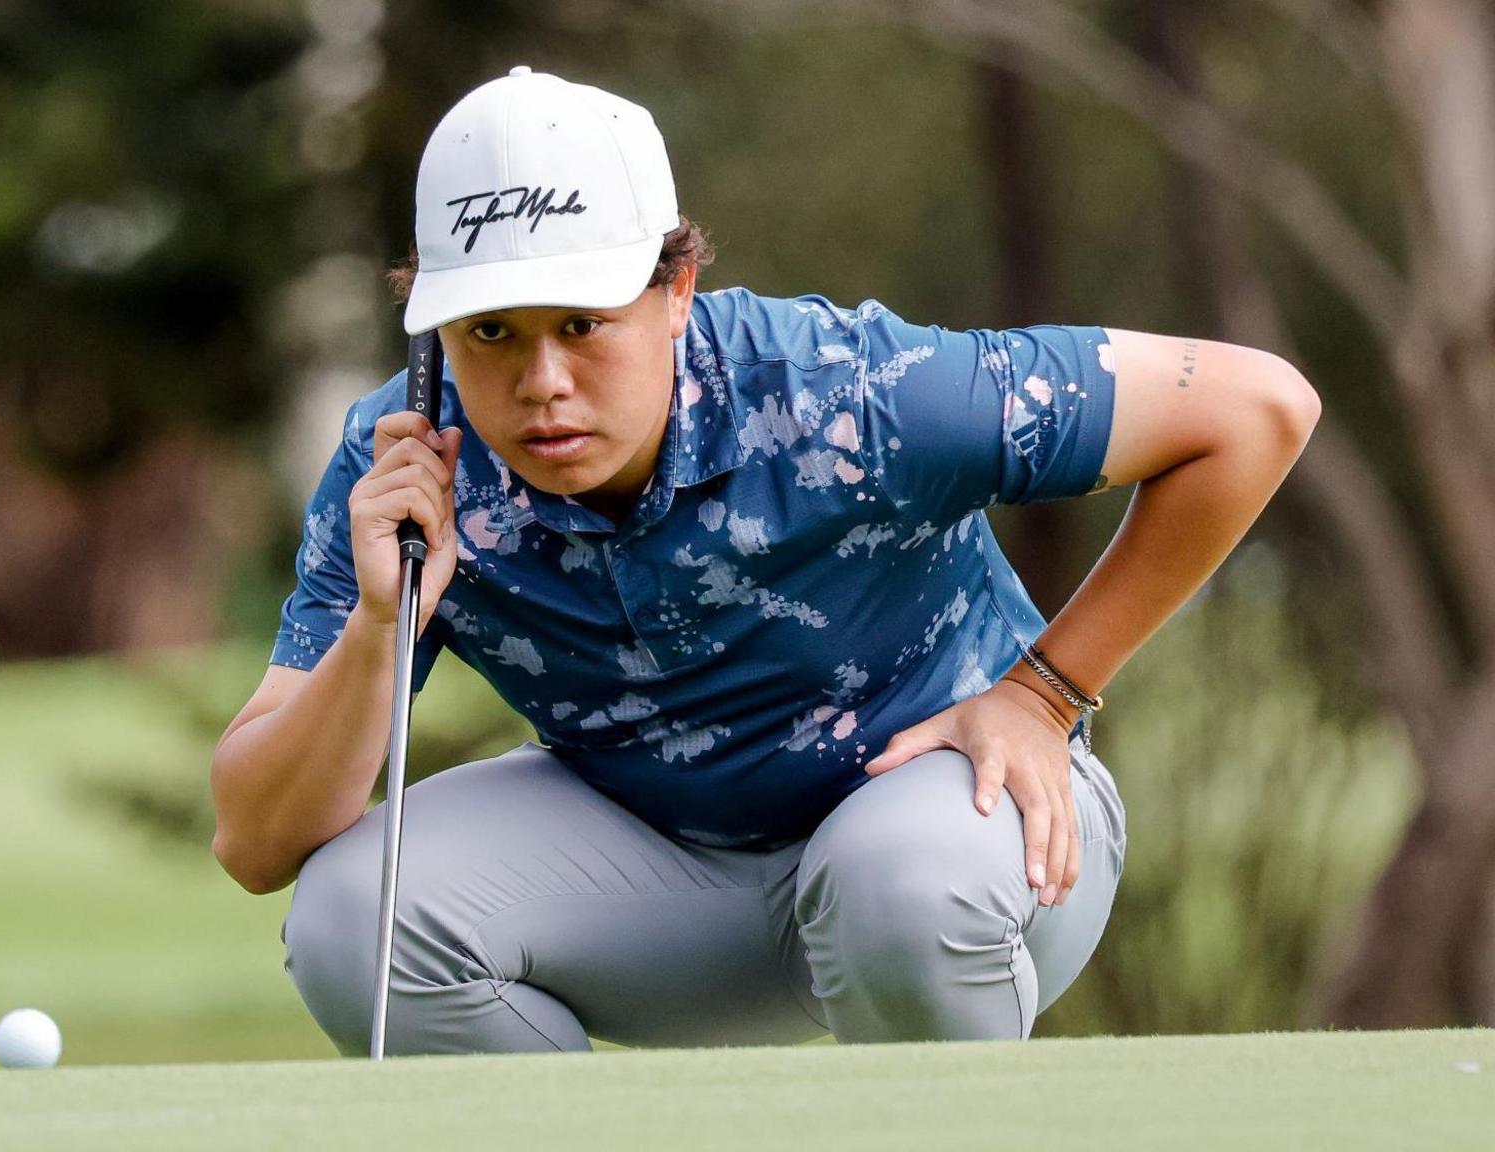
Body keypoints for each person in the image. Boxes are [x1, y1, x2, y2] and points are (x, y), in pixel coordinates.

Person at [210, 66, 1320, 1054]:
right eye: (490, 332)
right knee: (353, 918)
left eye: (582, 324)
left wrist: (1044, 691)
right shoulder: (405, 462)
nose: (540, 381)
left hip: (948, 843)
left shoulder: (852, 392)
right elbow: (259, 841)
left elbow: (1256, 410)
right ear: (432, 327)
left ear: (674, 288)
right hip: (655, 884)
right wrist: (376, 625)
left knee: (895, 885)